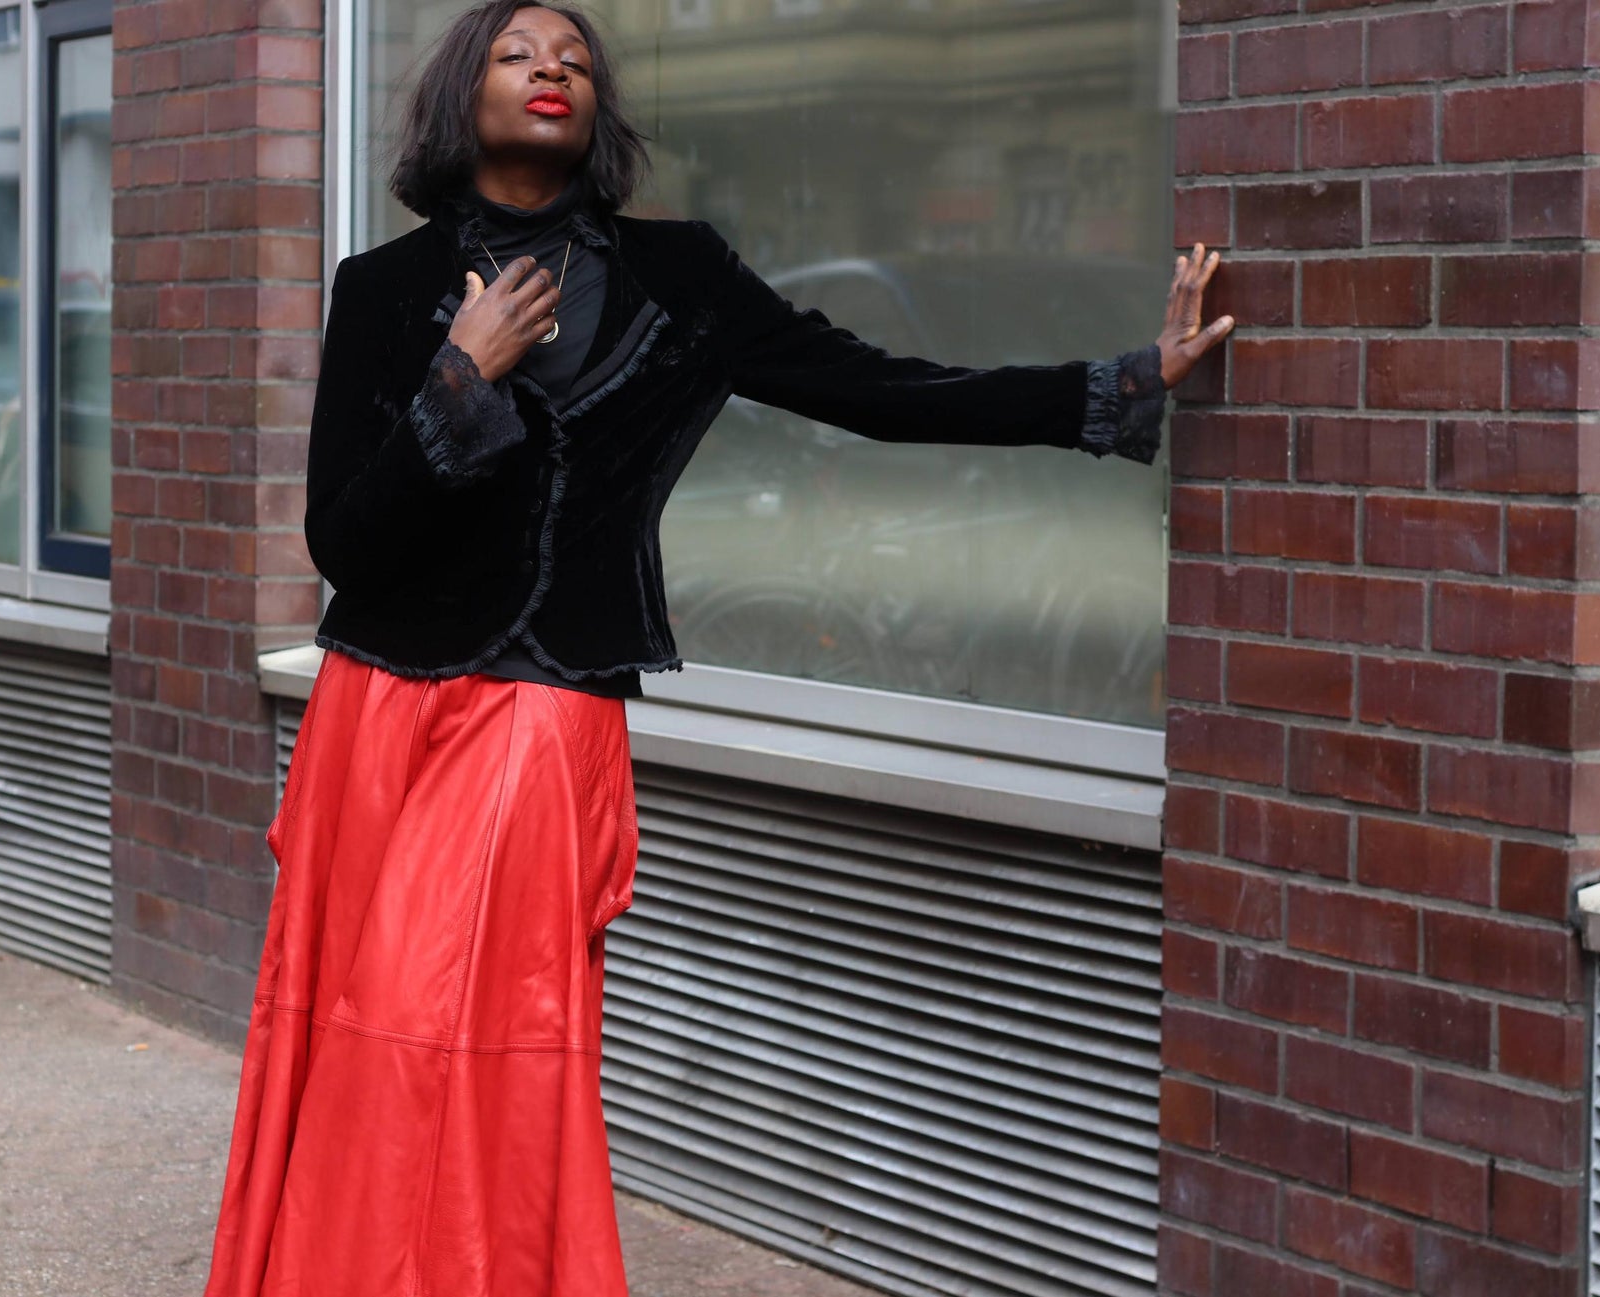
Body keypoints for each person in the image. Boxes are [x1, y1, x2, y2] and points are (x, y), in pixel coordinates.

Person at [198, 2, 1234, 1293]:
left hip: (542, 699)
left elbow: (880, 388)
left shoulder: (676, 275)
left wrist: (1121, 383)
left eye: (575, 56)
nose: (553, 69)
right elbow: (344, 542)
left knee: (448, 1016)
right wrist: (457, 383)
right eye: (521, 52)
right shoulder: (386, 288)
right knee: (355, 1020)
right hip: (377, 705)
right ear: (463, 90)